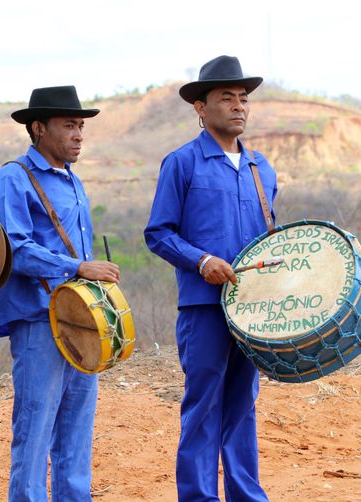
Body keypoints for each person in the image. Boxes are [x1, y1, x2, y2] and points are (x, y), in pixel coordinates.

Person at [144, 55, 275, 501]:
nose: (239, 106)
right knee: (203, 407)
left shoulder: (263, 170)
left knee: (243, 405)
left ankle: (245, 495)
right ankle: (198, 496)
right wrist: (202, 262)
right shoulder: (181, 163)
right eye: (226, 98)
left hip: (252, 310)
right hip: (203, 309)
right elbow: (158, 233)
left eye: (243, 99)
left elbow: (270, 238)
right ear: (200, 108)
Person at [0, 86, 120, 501]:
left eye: (81, 126)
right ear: (39, 128)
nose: (79, 134)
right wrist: (78, 267)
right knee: (35, 428)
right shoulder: (14, 176)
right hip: (37, 320)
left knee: (77, 431)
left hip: (81, 320)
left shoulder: (73, 181)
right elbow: (14, 248)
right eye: (69, 125)